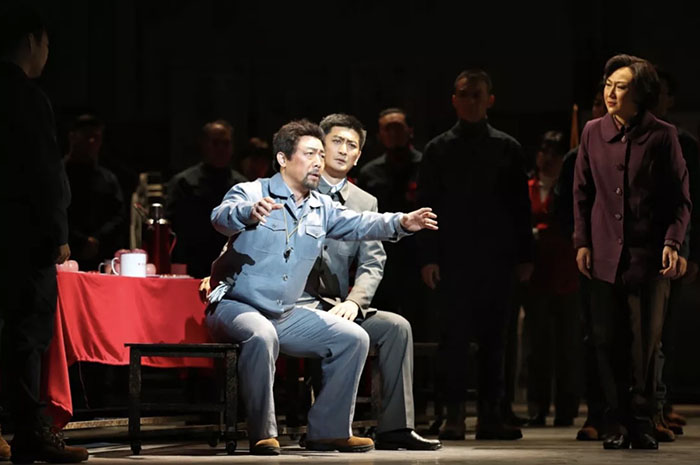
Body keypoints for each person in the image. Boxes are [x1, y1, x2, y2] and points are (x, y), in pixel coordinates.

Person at [204, 119, 437, 455]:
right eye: (310, 154)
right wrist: (247, 213)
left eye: (319, 155)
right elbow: (220, 217)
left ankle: (329, 430)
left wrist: (401, 222)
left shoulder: (321, 206)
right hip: (237, 305)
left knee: (354, 337)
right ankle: (263, 432)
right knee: (261, 334)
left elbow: (361, 223)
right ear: (283, 159)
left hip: (285, 313)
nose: (318, 162)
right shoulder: (253, 191)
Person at [294, 113, 441, 450]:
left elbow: (373, 262)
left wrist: (355, 301)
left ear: (359, 156)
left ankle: (396, 427)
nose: (343, 150)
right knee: (337, 333)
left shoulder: (364, 201)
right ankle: (324, 426)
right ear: (320, 147)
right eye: (336, 142)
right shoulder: (297, 187)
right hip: (295, 304)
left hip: (338, 305)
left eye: (352, 145)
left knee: (396, 327)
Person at [573, 54, 691, 450]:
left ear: (640, 93)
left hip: (648, 255)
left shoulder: (662, 135)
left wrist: (673, 242)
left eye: (620, 86)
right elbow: (582, 193)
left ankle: (642, 421)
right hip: (604, 255)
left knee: (644, 345)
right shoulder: (592, 132)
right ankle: (617, 421)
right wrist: (583, 241)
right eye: (608, 84)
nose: (611, 93)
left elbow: (680, 199)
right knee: (605, 340)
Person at [417, 69, 534, 440]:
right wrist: (428, 257)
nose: (470, 101)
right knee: (452, 341)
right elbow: (426, 207)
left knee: (495, 342)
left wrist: (525, 257)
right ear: (454, 100)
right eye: (464, 94)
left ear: (490, 100)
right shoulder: (437, 149)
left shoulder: (507, 148)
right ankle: (454, 417)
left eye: (477, 95)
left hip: (497, 260)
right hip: (452, 260)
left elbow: (521, 208)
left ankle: (490, 417)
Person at [0, 4, 88, 463]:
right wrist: (58, 232)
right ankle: (29, 434)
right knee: (27, 334)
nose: (48, 55)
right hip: (24, 235)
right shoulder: (26, 96)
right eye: (48, 45)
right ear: (32, 40)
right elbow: (44, 173)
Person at [553, 84, 609, 441]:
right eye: (598, 103)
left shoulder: (646, 143)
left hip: (634, 256)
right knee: (594, 336)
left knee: (636, 337)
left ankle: (640, 412)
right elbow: (563, 209)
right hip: (594, 259)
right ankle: (598, 413)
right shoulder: (577, 156)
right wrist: (582, 242)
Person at [650, 67, 700, 440]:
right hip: (636, 246)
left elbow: (692, 203)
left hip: (673, 245)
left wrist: (690, 251)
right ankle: (644, 407)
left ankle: (661, 405)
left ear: (669, 99)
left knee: (663, 331)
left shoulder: (684, 143)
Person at [523, 131, 581, 427]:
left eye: (554, 154)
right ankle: (537, 406)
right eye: (543, 152)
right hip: (536, 275)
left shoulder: (571, 187)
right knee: (537, 346)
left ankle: (566, 408)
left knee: (568, 346)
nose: (547, 158)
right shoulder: (527, 187)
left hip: (566, 273)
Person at [357, 108, 430, 340]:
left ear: (410, 131)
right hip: (382, 259)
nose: (393, 133)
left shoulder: (426, 167)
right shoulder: (369, 172)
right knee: (381, 324)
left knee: (421, 325)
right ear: (380, 135)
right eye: (387, 129)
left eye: (398, 127)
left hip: (418, 259)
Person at [166, 119, 247, 278]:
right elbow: (172, 229)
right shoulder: (184, 183)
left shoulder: (242, 186)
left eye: (226, 143)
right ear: (203, 145)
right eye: (215, 143)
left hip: (231, 267)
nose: (221, 149)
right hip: (191, 266)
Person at [64, 113, 126, 270]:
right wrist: (80, 240)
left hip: (101, 256)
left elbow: (118, 216)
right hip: (65, 255)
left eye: (96, 137)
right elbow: (53, 211)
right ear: (72, 137)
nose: (91, 142)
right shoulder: (59, 175)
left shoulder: (108, 179)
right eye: (86, 136)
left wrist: (96, 239)